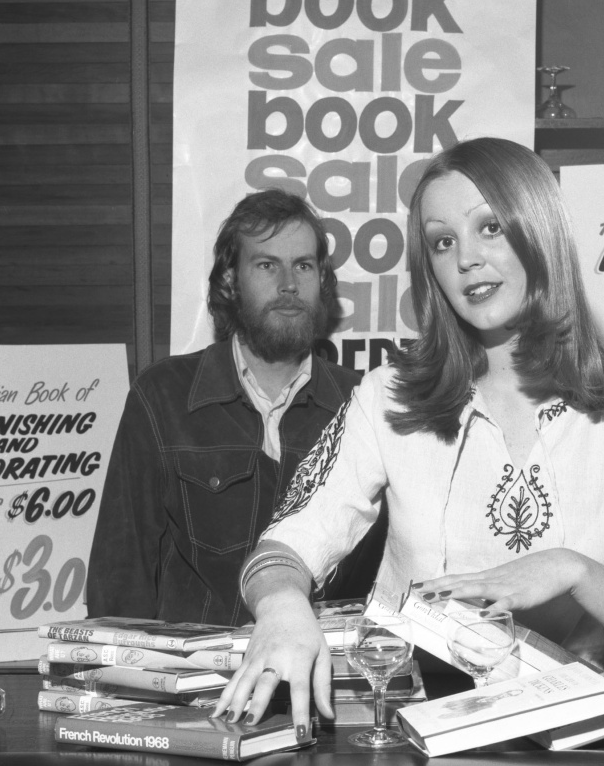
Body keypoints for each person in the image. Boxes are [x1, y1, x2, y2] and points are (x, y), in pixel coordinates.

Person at [213, 137, 604, 738]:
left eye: (490, 228)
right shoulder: (387, 397)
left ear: (540, 233)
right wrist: (280, 606)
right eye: (442, 242)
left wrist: (575, 572)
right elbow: (286, 545)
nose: (466, 260)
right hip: (406, 739)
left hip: (572, 750)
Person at [87, 189, 383, 625]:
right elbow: (120, 578)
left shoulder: (362, 405)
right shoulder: (164, 396)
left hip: (320, 678)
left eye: (303, 265)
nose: (288, 285)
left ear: (322, 280)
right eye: (267, 265)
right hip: (197, 684)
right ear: (229, 280)